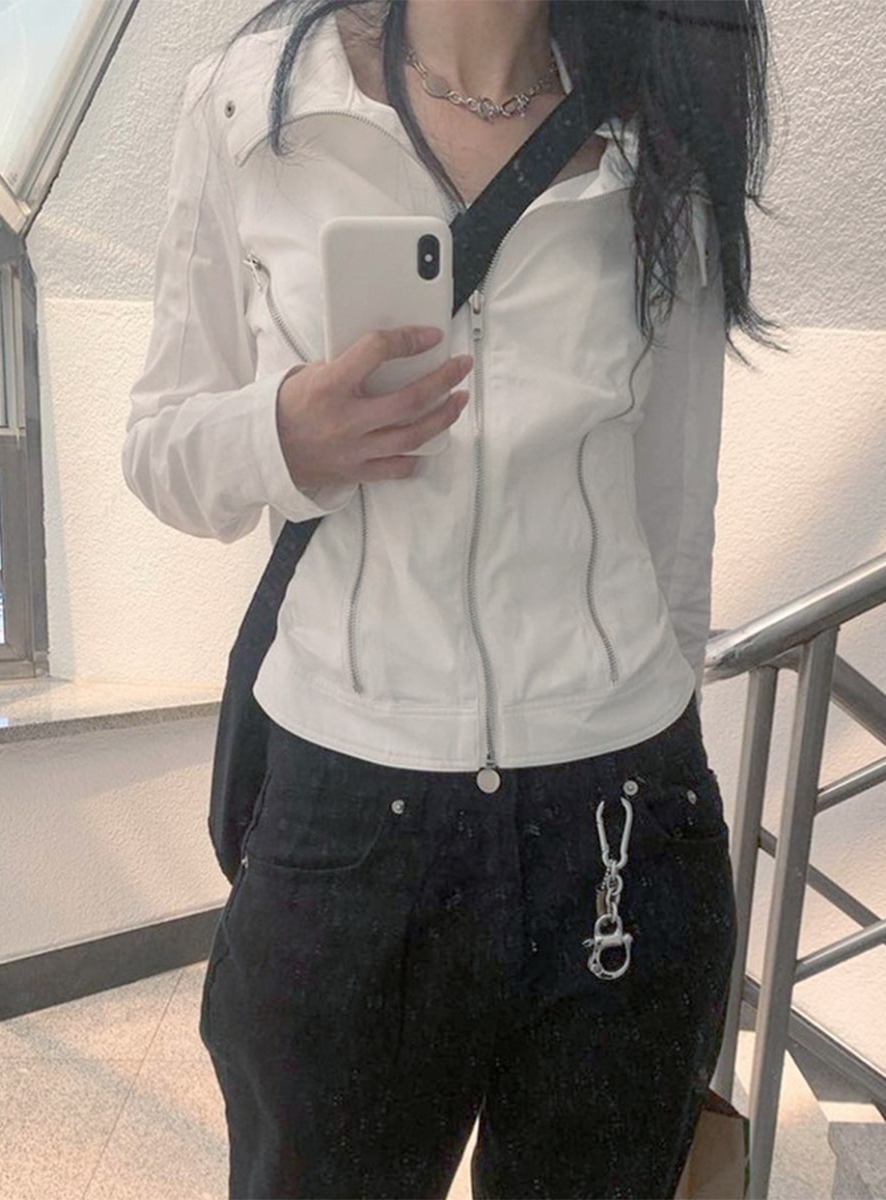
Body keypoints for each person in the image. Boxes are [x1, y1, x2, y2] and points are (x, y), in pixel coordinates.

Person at [123, 1, 775, 1196]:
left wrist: (646, 743)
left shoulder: (664, 124)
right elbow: (161, 447)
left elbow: (676, 518)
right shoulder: (254, 105)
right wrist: (284, 438)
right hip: (345, 817)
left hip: (622, 817)